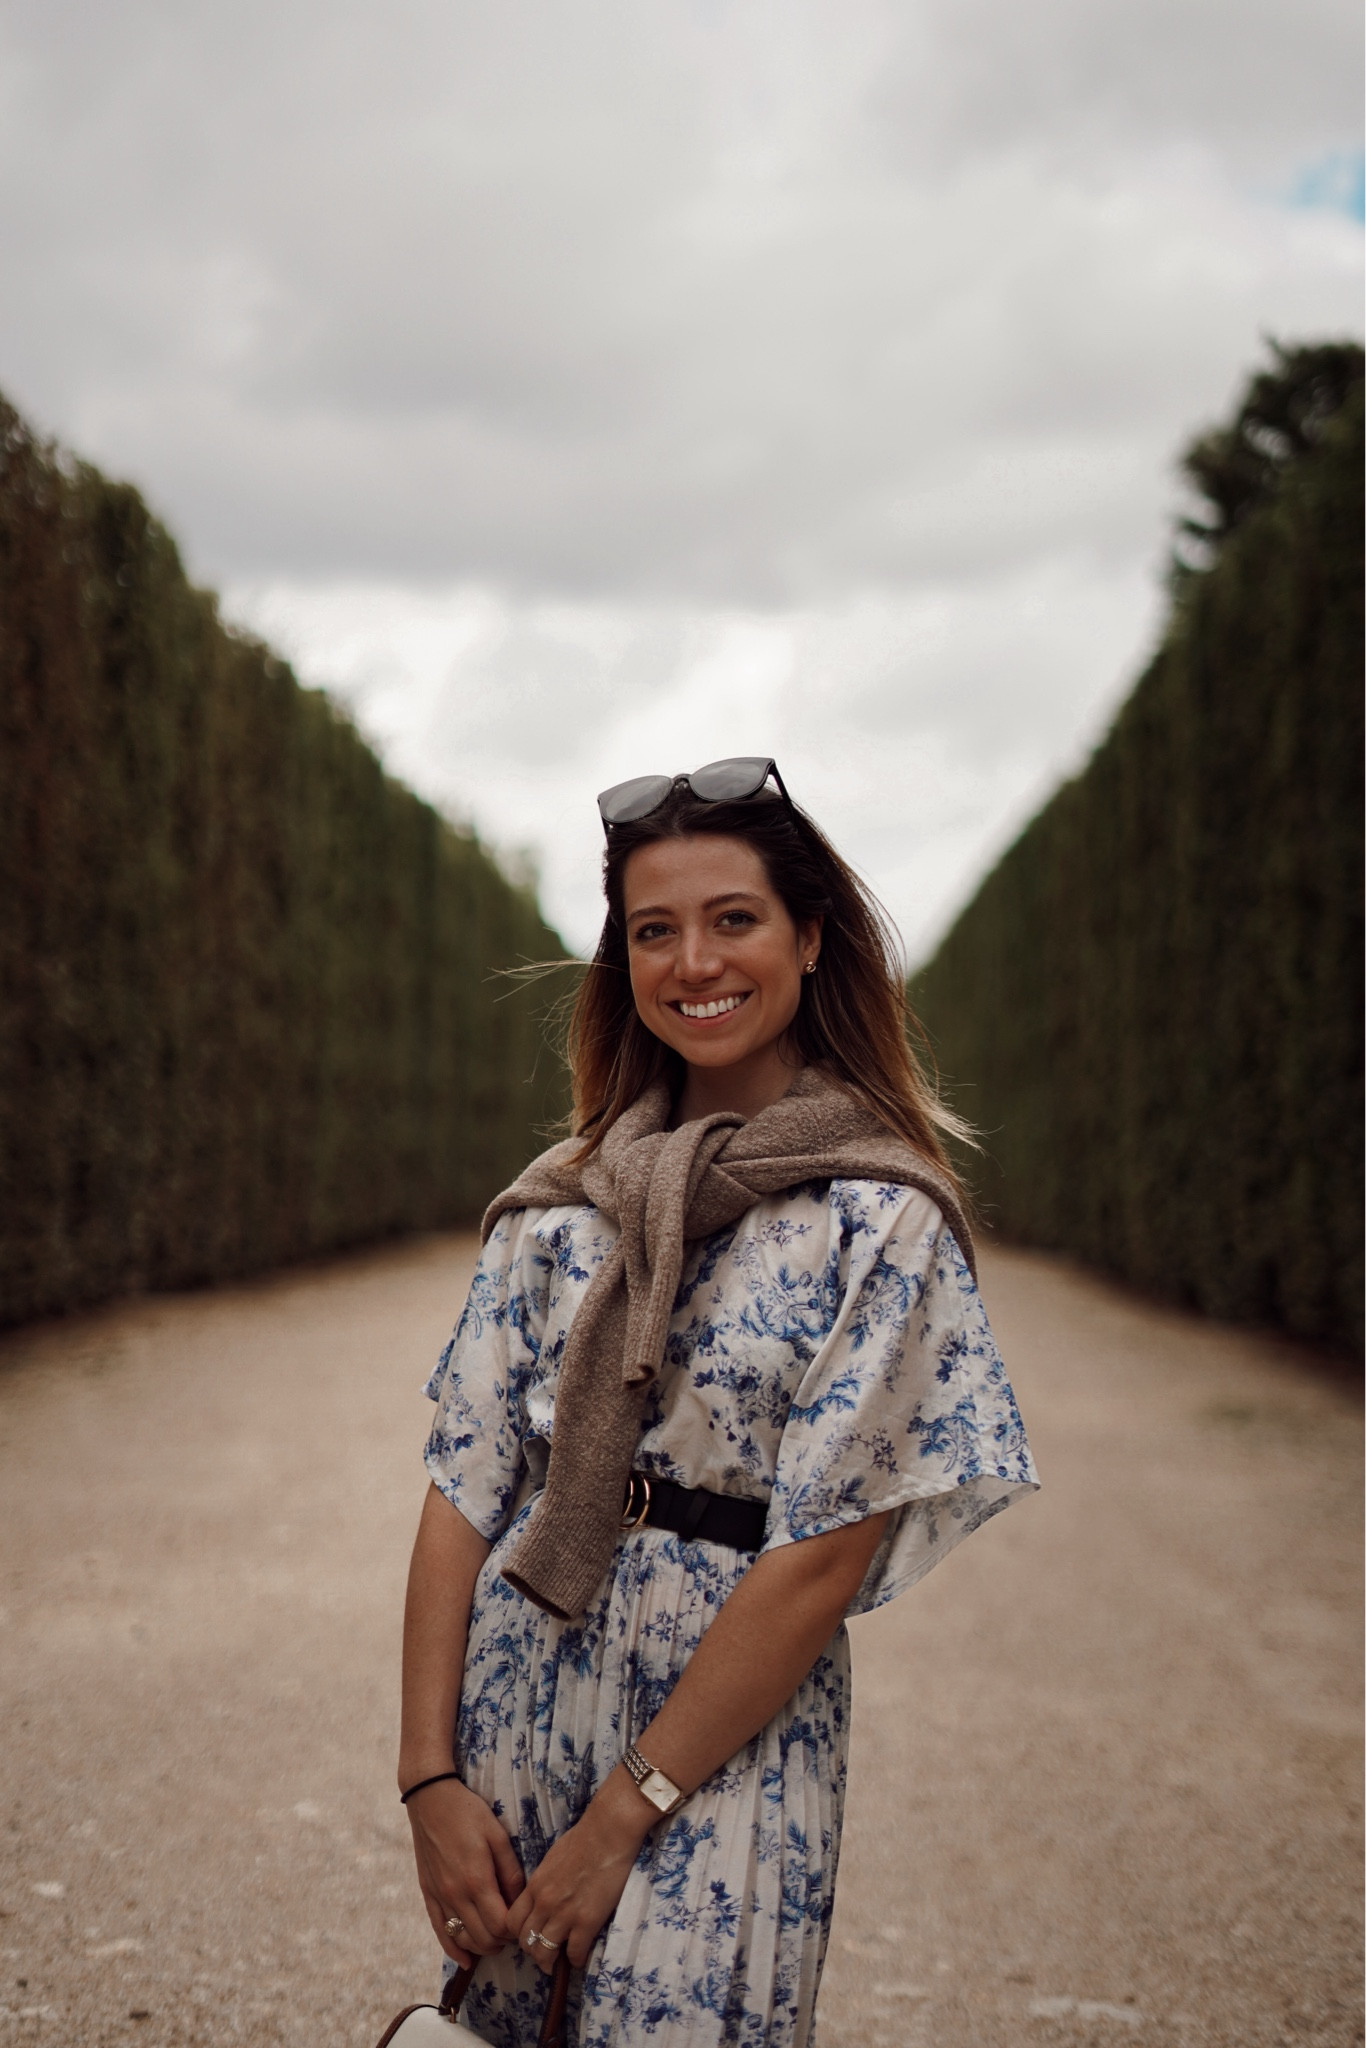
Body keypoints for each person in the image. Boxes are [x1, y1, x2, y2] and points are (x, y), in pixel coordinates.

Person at [398, 758, 1038, 2047]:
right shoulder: (558, 1206)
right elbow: (464, 1488)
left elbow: (826, 1552)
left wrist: (624, 1812)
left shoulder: (880, 1217)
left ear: (810, 937)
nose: (694, 961)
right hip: (520, 1695)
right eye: (655, 930)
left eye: (734, 918)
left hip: (726, 1736)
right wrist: (426, 1778)